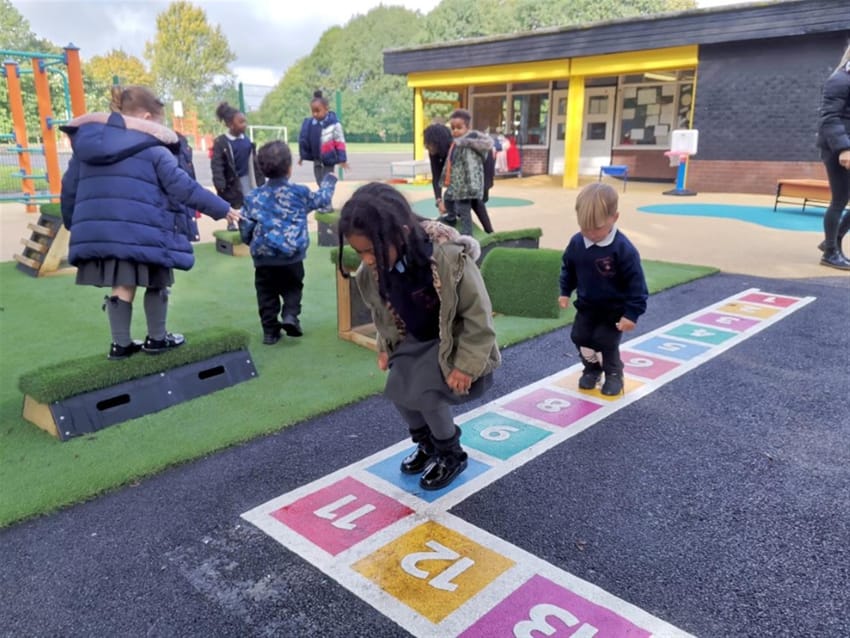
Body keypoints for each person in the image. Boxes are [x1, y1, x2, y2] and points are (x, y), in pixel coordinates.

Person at [337, 182, 500, 491]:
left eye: (372, 250)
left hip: (449, 342)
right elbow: (382, 311)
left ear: (400, 231)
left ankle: (450, 453)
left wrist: (465, 365)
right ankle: (427, 445)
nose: (367, 259)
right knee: (398, 392)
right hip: (414, 340)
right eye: (360, 251)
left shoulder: (448, 258)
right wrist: (386, 345)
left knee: (426, 394)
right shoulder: (373, 271)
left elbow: (478, 315)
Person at [60, 85, 241, 360]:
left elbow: (69, 188)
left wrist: (73, 221)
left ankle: (120, 344)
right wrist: (224, 209)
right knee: (156, 281)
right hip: (147, 229)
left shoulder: (85, 149)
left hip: (107, 232)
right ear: (145, 119)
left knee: (122, 282)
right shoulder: (154, 150)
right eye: (159, 121)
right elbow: (184, 188)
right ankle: (157, 339)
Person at [239, 141, 337, 345]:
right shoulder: (299, 193)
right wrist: (329, 179)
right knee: (293, 287)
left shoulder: (253, 197)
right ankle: (290, 315)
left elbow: (245, 225)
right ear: (289, 168)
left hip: (264, 258)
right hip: (291, 256)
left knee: (266, 294)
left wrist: (250, 242)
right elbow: (321, 199)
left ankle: (270, 332)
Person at [558, 182, 648, 396]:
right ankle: (592, 369)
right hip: (587, 305)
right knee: (579, 336)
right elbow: (568, 268)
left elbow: (637, 285)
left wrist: (632, 313)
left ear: (614, 218)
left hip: (613, 309)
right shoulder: (577, 243)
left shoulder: (623, 249)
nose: (591, 234)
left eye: (597, 228)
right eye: (584, 228)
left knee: (605, 341)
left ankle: (614, 373)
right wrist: (564, 291)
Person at [424, 122, 495, 234]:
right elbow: (436, 175)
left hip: (482, 166)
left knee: (473, 200)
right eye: (427, 143)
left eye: (430, 144)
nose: (427, 147)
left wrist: (481, 189)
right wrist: (438, 200)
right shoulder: (435, 151)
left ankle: (485, 232)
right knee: (458, 201)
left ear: (439, 143)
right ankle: (459, 222)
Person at [816, 43, 850, 270]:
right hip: (838, 149)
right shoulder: (839, 80)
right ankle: (830, 252)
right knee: (839, 200)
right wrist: (844, 149)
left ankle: (832, 239)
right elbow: (829, 118)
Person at [211, 101, 264, 230]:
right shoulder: (221, 142)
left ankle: (247, 223)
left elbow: (253, 161)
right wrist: (220, 183)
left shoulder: (246, 140)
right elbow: (217, 164)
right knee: (230, 203)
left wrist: (260, 177)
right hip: (230, 181)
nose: (244, 125)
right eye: (241, 122)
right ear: (230, 124)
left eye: (245, 121)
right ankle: (230, 223)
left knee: (248, 200)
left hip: (246, 177)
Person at [298, 90, 349, 206]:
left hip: (328, 159)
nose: (315, 114)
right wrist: (303, 156)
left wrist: (342, 159)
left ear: (326, 109)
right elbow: (304, 140)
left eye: (318, 111)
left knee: (327, 183)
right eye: (313, 111)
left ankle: (327, 204)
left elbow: (340, 141)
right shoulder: (311, 124)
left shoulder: (334, 124)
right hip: (317, 159)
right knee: (319, 182)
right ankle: (323, 201)